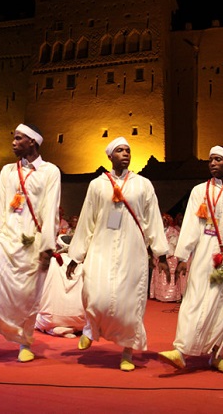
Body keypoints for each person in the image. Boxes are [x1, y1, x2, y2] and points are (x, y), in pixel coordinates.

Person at [66, 137, 169, 371]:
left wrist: (160, 254)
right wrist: (76, 254)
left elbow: (153, 219)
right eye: (120, 150)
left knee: (130, 303)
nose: (125, 154)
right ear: (109, 156)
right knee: (95, 292)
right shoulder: (97, 185)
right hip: (101, 246)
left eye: (128, 150)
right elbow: (87, 221)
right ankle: (90, 328)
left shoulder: (143, 184)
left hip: (132, 250)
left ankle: (127, 351)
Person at [158, 145, 223, 375]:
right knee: (194, 301)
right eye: (211, 159)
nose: (213, 163)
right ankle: (180, 351)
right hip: (203, 257)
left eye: (218, 160)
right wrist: (182, 255)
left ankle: (218, 355)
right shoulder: (199, 191)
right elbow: (192, 225)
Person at [0, 123, 61, 363]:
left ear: (32, 142)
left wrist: (47, 246)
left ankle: (24, 342)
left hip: (33, 238)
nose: (13, 142)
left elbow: (51, 209)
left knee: (27, 295)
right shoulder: (7, 171)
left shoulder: (50, 171)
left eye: (18, 138)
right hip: (7, 234)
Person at [35, 234, 86, 338]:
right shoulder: (84, 263)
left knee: (32, 317)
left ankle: (55, 329)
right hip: (80, 320)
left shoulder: (50, 261)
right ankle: (71, 328)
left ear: (58, 246)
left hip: (51, 319)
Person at [150, 213, 185, 302]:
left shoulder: (173, 231)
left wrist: (166, 254)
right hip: (159, 257)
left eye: (165, 220)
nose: (163, 222)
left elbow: (173, 245)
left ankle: (172, 296)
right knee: (160, 274)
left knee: (171, 275)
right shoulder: (157, 231)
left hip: (170, 256)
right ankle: (159, 296)